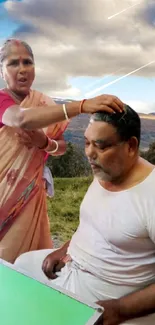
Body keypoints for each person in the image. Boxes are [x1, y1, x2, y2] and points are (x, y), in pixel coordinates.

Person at [15, 105, 155, 325]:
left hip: (108, 292)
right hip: (72, 267)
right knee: (22, 266)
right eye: (87, 143)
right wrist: (64, 249)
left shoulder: (151, 194)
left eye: (100, 145)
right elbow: (94, 224)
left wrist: (121, 309)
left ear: (131, 145)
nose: (89, 153)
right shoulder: (106, 171)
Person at [0, 38, 123, 263]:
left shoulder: (44, 104)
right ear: (2, 71)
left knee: (28, 262)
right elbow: (19, 118)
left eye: (27, 62)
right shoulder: (2, 100)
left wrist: (44, 143)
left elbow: (61, 148)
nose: (22, 70)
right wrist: (82, 106)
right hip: (2, 194)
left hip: (30, 198)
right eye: (13, 63)